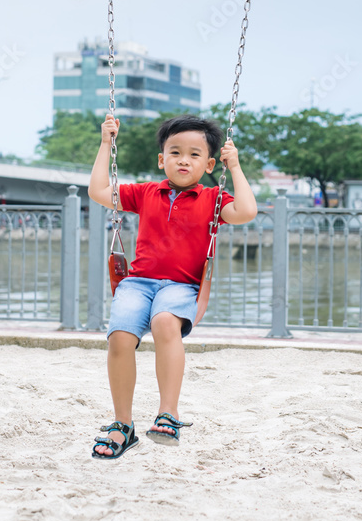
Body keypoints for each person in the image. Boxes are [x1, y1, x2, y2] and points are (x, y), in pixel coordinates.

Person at [89, 113, 258, 459]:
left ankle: (169, 413)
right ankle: (123, 425)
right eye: (175, 152)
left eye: (195, 155)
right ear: (161, 159)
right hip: (138, 283)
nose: (184, 160)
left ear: (210, 163)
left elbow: (246, 211)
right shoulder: (147, 192)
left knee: (165, 322)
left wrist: (236, 166)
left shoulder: (212, 199)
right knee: (120, 336)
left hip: (180, 286)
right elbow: (98, 191)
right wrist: (106, 143)